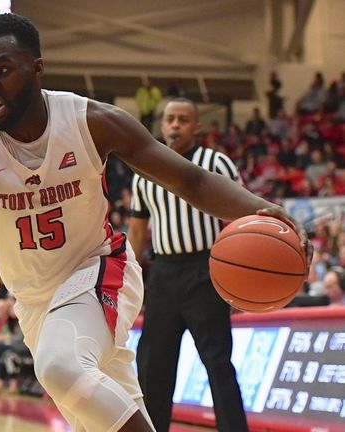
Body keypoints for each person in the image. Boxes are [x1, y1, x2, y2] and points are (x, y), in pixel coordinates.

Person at [0, 13, 308, 432]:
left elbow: (191, 178)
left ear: (36, 68)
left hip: (98, 270)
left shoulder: (91, 121)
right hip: (33, 300)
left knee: (59, 366)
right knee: (103, 418)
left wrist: (260, 208)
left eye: (2, 71)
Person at [127, 98, 248, 432]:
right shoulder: (144, 172)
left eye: (183, 119)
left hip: (206, 270)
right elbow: (137, 228)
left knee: (218, 363)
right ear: (162, 126)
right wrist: (128, 279)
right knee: (154, 366)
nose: (176, 125)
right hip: (164, 273)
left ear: (197, 127)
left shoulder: (216, 163)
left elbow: (239, 215)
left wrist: (235, 278)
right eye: (170, 119)